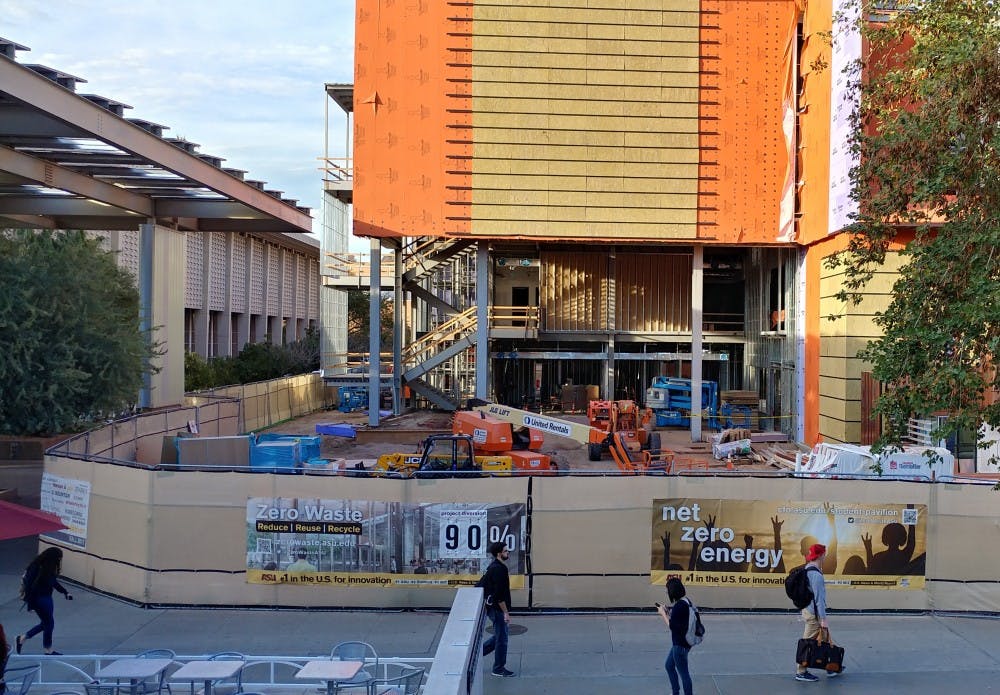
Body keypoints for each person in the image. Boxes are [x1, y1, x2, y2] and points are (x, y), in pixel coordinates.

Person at [794, 543, 843, 682]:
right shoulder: (816, 575)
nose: (826, 556)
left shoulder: (808, 568)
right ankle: (801, 672)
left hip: (807, 609)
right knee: (807, 642)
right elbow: (819, 599)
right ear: (821, 555)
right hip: (813, 613)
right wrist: (823, 618)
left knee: (825, 637)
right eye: (824, 553)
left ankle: (830, 666)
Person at [16, 547, 73, 655]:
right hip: (39, 599)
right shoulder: (36, 567)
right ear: (52, 558)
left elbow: (53, 582)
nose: (59, 561)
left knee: (46, 623)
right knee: (49, 623)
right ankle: (47, 649)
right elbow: (29, 587)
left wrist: (65, 592)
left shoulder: (49, 568)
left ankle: (22, 638)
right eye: (58, 559)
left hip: (47, 598)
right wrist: (30, 605)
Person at [478, 541, 515, 678]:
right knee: (502, 639)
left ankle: (476, 654)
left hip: (492, 607)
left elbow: (482, 584)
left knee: (499, 635)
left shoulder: (492, 567)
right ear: (499, 554)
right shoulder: (500, 569)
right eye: (506, 551)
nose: (508, 553)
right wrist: (506, 612)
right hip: (497, 608)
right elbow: (499, 595)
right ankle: (498, 669)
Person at [657, 577, 693, 695]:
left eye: (667, 590)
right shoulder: (685, 601)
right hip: (682, 643)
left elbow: (672, 626)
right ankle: (675, 692)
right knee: (669, 666)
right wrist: (668, 612)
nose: (666, 592)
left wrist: (663, 614)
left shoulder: (679, 607)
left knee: (684, 674)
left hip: (680, 646)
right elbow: (680, 621)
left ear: (672, 591)